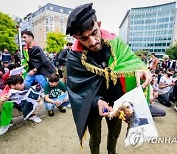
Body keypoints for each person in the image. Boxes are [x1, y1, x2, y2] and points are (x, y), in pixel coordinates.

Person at [65, 3, 152, 154]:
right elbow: (76, 87)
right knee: (95, 137)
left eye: (94, 33)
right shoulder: (74, 56)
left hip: (117, 99)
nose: (92, 42)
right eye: (84, 38)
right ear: (75, 38)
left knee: (114, 133)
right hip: (93, 103)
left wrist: (141, 69)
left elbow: (131, 60)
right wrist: (96, 101)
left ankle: (112, 152)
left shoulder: (115, 42)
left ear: (99, 25)